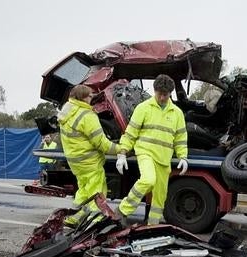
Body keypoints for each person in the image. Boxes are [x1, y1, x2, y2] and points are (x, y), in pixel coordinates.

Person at [115, 74, 188, 225]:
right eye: (159, 94)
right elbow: (131, 132)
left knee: (160, 195)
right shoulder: (143, 108)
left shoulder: (177, 113)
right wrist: (122, 153)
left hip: (164, 158)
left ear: (170, 93)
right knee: (148, 180)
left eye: (165, 94)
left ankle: (152, 225)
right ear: (155, 91)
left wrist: (183, 157)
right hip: (145, 153)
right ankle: (122, 210)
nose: (162, 97)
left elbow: (180, 138)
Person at [58, 84, 120, 228]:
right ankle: (96, 221)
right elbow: (102, 144)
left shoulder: (67, 112)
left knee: (84, 190)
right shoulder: (87, 116)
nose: (93, 98)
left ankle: (74, 216)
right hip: (90, 162)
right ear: (83, 98)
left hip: (76, 162)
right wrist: (121, 149)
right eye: (90, 96)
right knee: (97, 193)